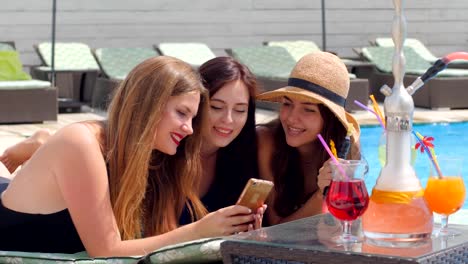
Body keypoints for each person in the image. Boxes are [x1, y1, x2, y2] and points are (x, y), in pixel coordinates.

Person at [0, 56, 257, 256]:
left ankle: (41, 146)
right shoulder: (81, 144)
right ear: (150, 104)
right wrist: (198, 231)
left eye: (192, 118)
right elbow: (106, 251)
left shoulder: (148, 155)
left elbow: (156, 241)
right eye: (181, 113)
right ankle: (40, 143)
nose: (190, 129)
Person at [256, 51, 361, 226]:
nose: (291, 118)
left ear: (330, 118)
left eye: (308, 109)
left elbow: (343, 222)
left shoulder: (346, 150)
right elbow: (277, 228)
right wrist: (322, 195)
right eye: (287, 104)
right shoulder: (266, 141)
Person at [179, 56, 261, 225]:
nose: (228, 119)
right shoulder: (171, 152)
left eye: (240, 110)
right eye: (216, 107)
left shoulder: (242, 157)